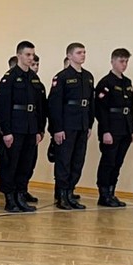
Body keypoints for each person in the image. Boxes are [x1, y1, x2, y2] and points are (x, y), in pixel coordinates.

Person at [0, 41, 47, 212]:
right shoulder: (9, 78)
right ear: (19, 55)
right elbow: (3, 107)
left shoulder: (34, 78)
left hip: (31, 128)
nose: (31, 58)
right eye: (27, 55)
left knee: (26, 164)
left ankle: (20, 195)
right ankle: (10, 198)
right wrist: (6, 131)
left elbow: (40, 106)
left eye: (32, 55)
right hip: (15, 127)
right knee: (11, 164)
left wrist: (40, 129)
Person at [48, 42, 95, 210]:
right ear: (69, 55)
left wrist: (89, 124)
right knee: (64, 161)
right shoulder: (62, 77)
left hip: (82, 124)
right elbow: (54, 104)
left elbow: (91, 103)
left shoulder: (88, 76)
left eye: (84, 52)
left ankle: (70, 193)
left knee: (77, 161)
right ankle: (61, 195)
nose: (83, 55)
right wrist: (57, 128)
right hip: (67, 125)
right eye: (79, 52)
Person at [94, 48, 133, 207]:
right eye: (121, 61)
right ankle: (103, 194)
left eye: (126, 61)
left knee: (118, 162)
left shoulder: (127, 82)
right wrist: (105, 131)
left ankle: (111, 192)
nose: (124, 64)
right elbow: (100, 109)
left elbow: (129, 107)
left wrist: (132, 129)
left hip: (124, 128)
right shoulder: (106, 82)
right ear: (112, 61)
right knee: (108, 162)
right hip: (111, 128)